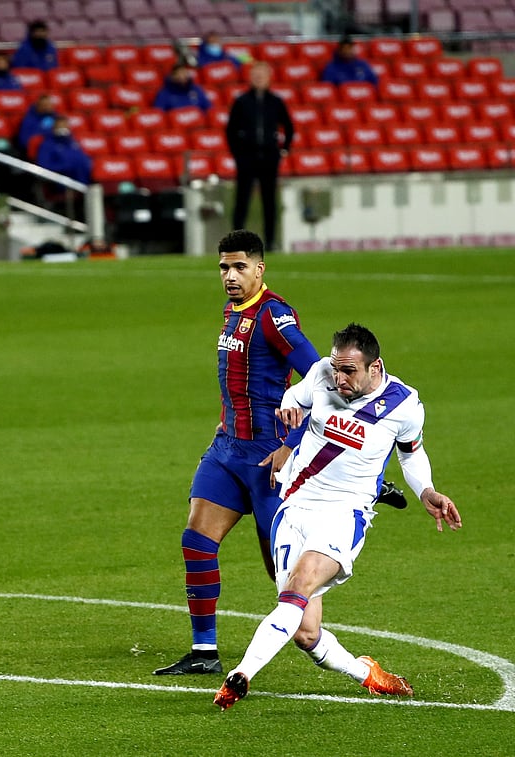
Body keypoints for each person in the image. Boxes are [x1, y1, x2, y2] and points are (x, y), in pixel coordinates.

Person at [214, 323, 461, 710]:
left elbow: (411, 454)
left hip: (344, 513)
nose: (339, 378)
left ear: (375, 367)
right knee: (305, 633)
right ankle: (366, 673)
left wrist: (427, 491)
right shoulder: (321, 375)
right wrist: (290, 408)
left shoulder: (404, 404)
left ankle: (241, 675)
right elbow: (295, 398)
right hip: (294, 507)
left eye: (349, 371)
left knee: (299, 585)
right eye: (336, 369)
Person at [153, 229, 320, 676]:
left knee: (282, 574)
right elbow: (238, 381)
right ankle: (204, 651)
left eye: (240, 266)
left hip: (269, 458)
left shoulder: (274, 316)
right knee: (197, 540)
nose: (230, 275)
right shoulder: (233, 311)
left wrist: (290, 445)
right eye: (224, 267)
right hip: (227, 451)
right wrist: (225, 419)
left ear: (260, 269)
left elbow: (321, 381)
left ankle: (330, 652)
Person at [225, 62, 294, 252]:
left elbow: (289, 127)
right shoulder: (241, 101)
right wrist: (237, 153)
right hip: (247, 157)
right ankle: (236, 242)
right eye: (255, 75)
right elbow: (230, 130)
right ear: (250, 78)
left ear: (269, 78)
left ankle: (270, 241)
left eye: (262, 76)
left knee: (269, 201)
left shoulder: (276, 101)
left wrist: (284, 149)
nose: (258, 79)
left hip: (269, 157)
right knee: (242, 200)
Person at [35, 116, 92, 184]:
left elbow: (83, 159)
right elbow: (44, 166)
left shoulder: (74, 143)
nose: (63, 129)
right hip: (60, 181)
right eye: (60, 127)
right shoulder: (47, 145)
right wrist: (66, 166)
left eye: (65, 126)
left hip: (80, 181)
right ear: (54, 128)